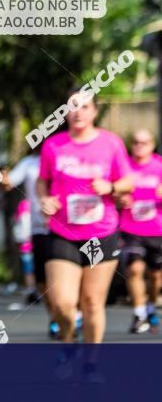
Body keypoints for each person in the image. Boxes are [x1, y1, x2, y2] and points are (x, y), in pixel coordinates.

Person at [36, 90, 133, 344]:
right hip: (63, 232)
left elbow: (128, 181)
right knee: (63, 304)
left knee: (92, 302)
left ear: (94, 112)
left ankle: (90, 365)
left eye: (84, 106)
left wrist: (111, 188)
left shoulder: (110, 143)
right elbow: (42, 181)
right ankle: (68, 343)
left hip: (101, 233)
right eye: (72, 106)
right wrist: (44, 199)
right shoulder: (53, 145)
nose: (78, 111)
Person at [1, 147, 56, 333]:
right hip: (39, 227)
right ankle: (55, 317)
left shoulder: (71, 157)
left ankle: (75, 315)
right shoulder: (29, 163)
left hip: (68, 228)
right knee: (42, 280)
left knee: (69, 274)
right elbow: (7, 184)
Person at [117, 129, 162, 334]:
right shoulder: (124, 166)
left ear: (152, 145)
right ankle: (139, 313)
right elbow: (112, 191)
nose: (139, 146)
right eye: (135, 142)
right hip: (131, 227)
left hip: (157, 229)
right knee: (134, 269)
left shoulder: (159, 166)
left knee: (156, 277)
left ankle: (151, 306)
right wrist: (120, 199)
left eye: (144, 143)